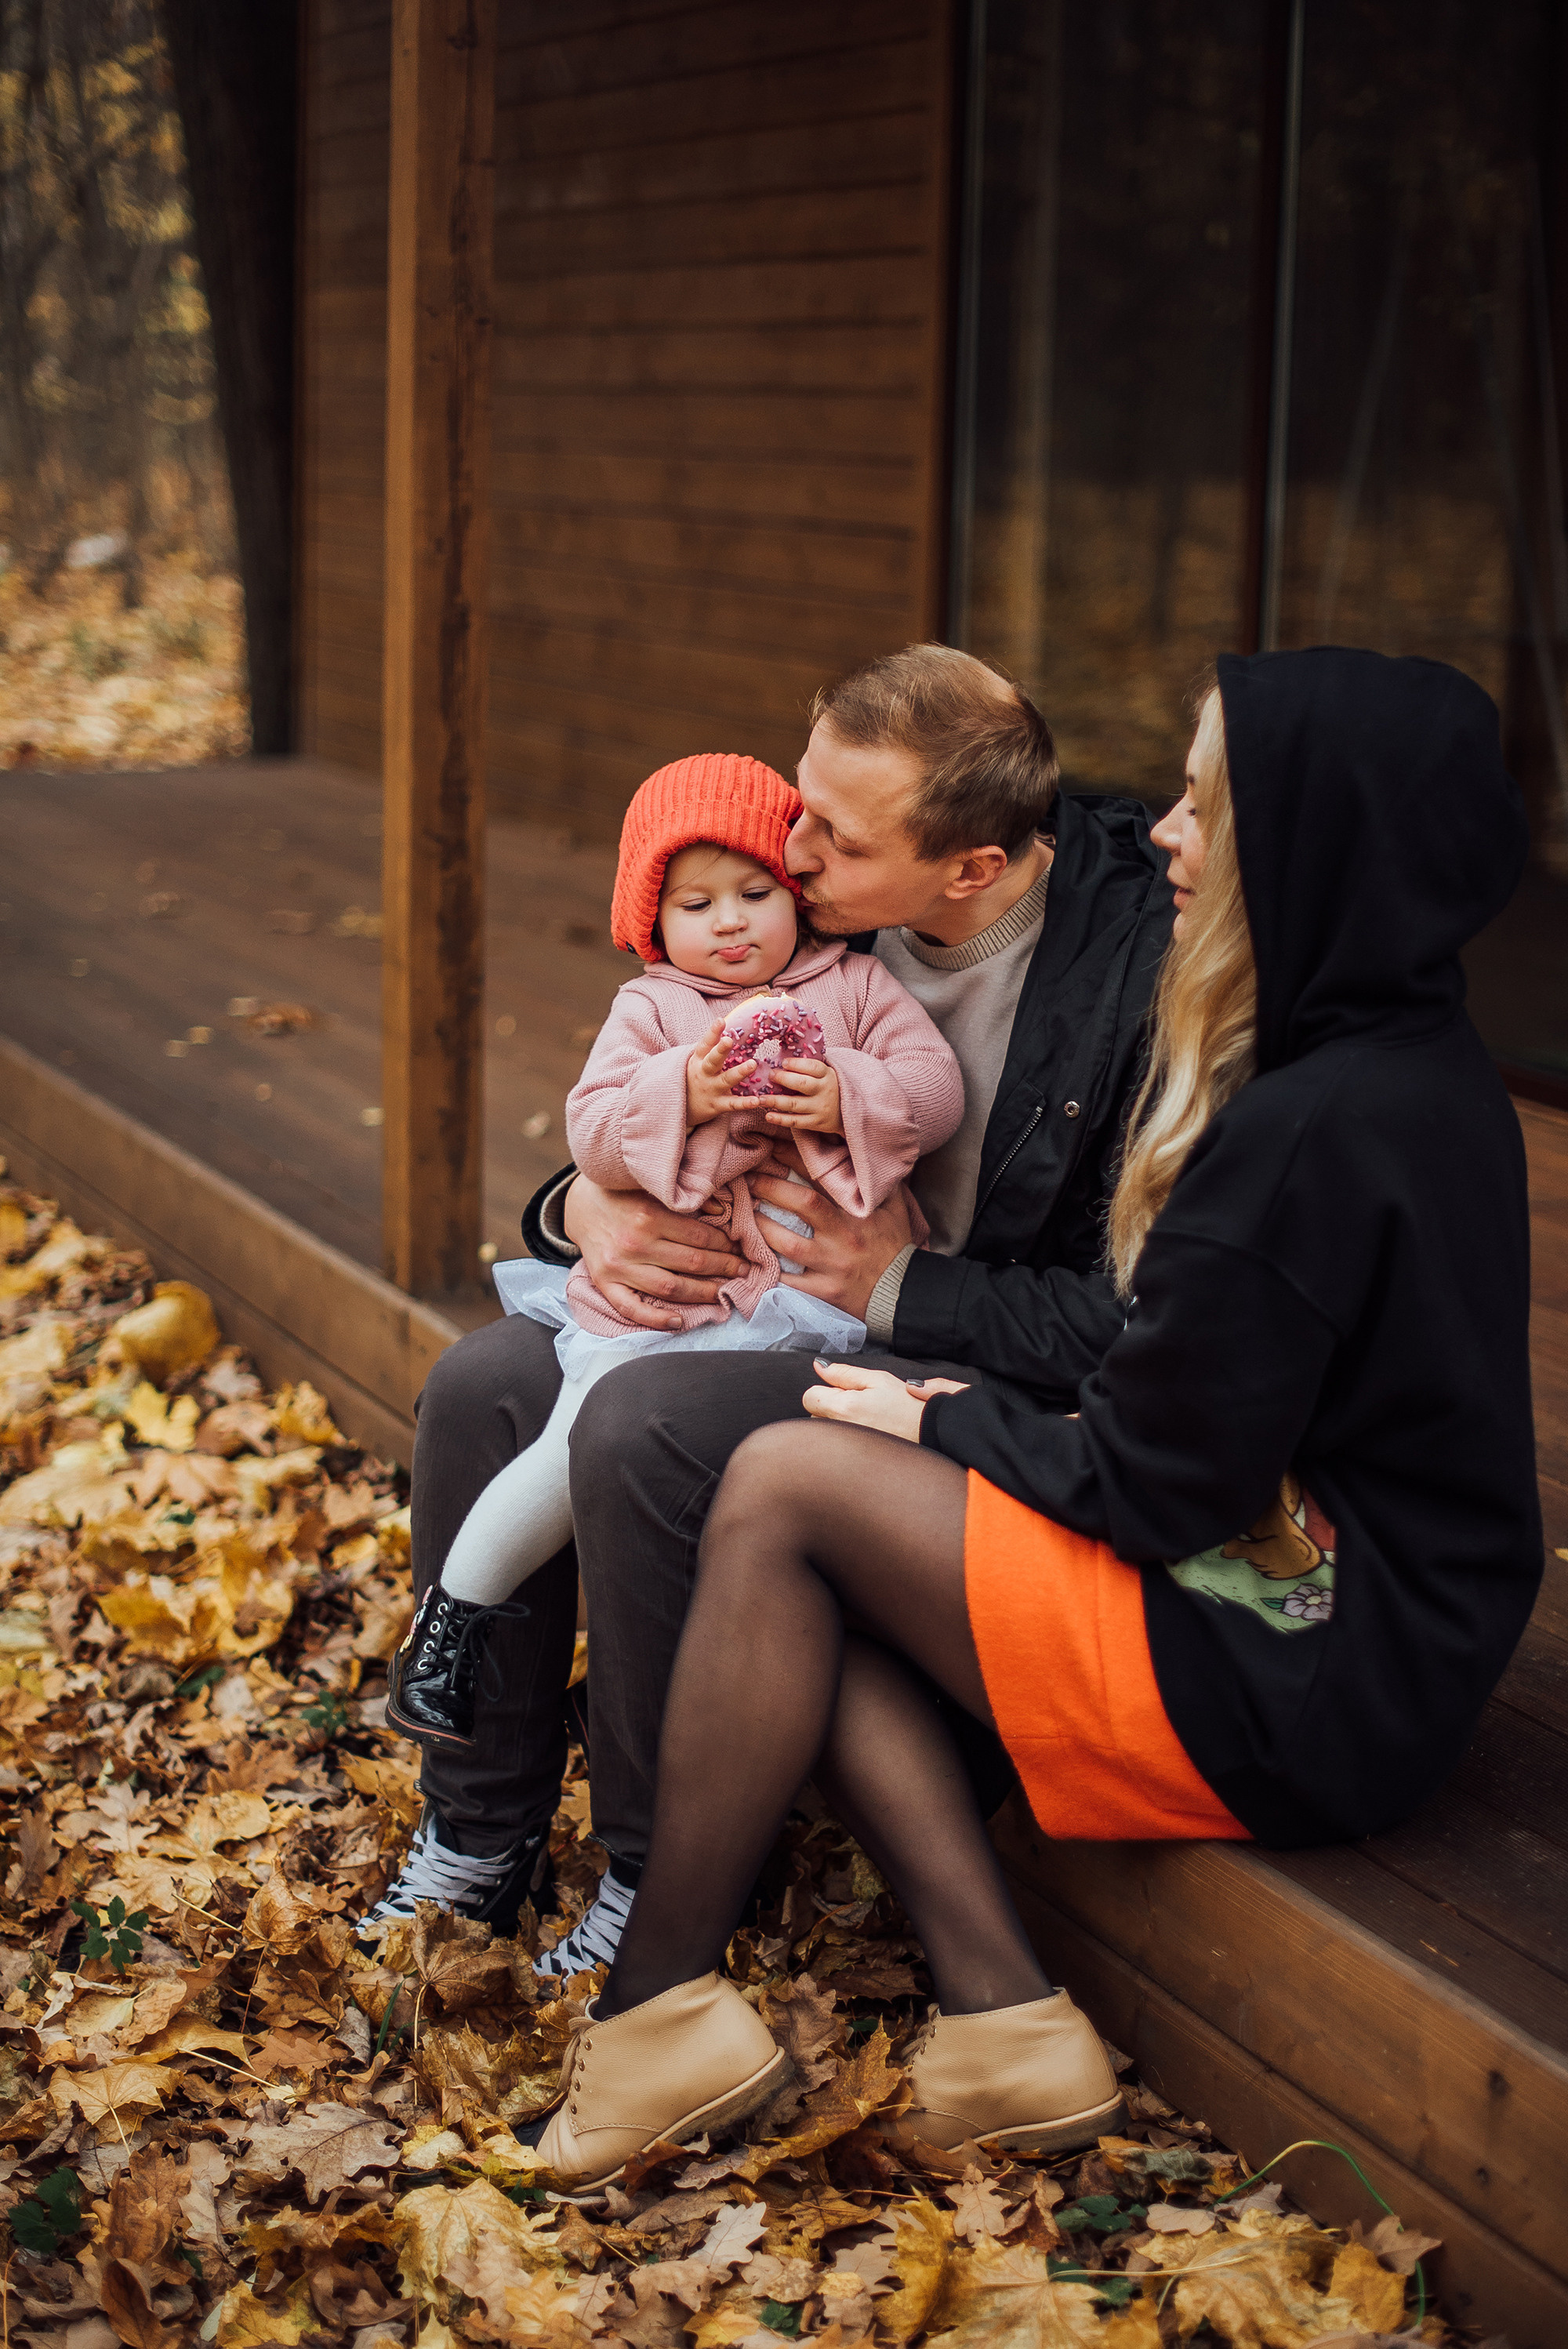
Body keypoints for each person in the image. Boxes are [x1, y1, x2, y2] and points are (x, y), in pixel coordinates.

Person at [532, 644, 1544, 2188]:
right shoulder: (1392, 1069)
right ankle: (1003, 2024)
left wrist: (934, 1417)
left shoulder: (1305, 1135)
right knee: (811, 1531)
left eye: (1207, 806)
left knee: (794, 1486)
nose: (1163, 834)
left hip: (1306, 1652)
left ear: (1312, 848)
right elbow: (1193, 1418)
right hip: (1329, 1590)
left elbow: (1150, 1482)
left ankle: (655, 1996)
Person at [363, 644, 1174, 1966]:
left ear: (970, 868)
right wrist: (582, 1209)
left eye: (828, 839)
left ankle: (657, 1859)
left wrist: (903, 1282)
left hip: (923, 1353)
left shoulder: (1134, 993)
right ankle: (478, 1827)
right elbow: (635, 1083)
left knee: (634, 1424)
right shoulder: (811, 908)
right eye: (797, 801)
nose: (785, 852)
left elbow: (1134, 1320)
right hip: (735, 1282)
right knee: (480, 1386)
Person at [383, 751, 962, 1749]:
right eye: (696, 903)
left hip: (805, 1304)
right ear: (652, 917)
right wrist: (685, 1091)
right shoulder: (653, 1010)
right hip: (672, 1300)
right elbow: (594, 1129)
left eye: (754, 891)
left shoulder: (856, 987)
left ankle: (635, 1707)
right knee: (574, 1439)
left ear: (800, 896)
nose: (729, 922)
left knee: (667, 1460)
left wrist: (847, 1091)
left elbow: (934, 1087)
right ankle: (454, 1619)